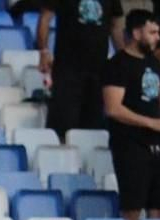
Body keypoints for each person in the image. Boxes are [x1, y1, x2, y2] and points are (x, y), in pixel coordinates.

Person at [103, 10, 160, 220]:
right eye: (152, 32)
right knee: (132, 207)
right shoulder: (117, 64)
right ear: (136, 33)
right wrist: (154, 123)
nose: (158, 37)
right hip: (130, 145)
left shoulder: (153, 62)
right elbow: (113, 108)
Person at [38, 0, 126, 134]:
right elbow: (45, 18)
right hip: (67, 68)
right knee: (63, 124)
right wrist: (43, 51)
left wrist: (123, 59)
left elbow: (115, 26)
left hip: (99, 69)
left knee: (93, 127)